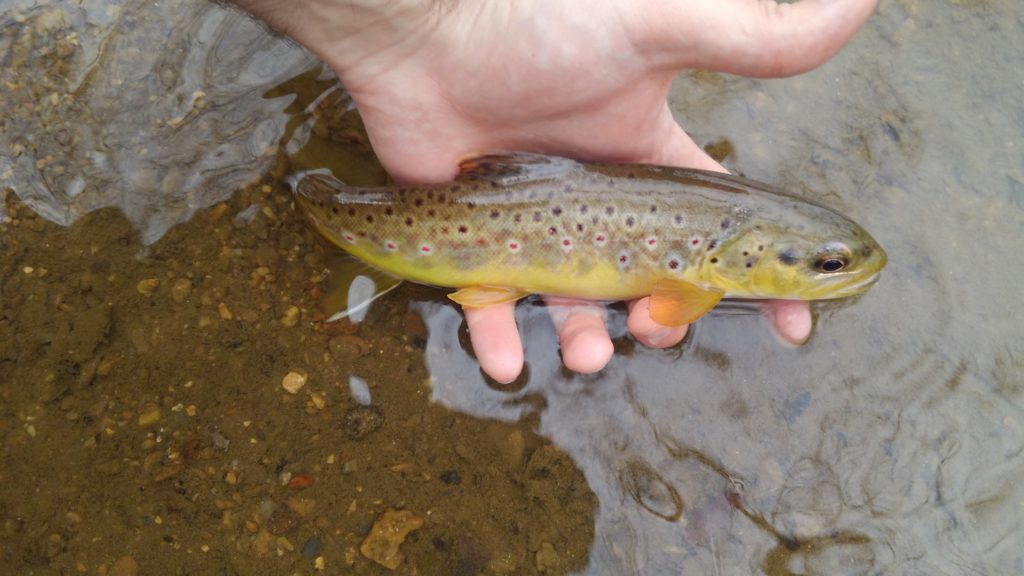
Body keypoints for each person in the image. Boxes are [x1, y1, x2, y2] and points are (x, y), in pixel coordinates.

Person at [235, 0, 879, 384]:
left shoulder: (720, 249)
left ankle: (317, 194)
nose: (835, 271)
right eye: (826, 265)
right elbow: (671, 310)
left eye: (829, 264)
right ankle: (316, 197)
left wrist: (404, 27)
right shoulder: (700, 282)